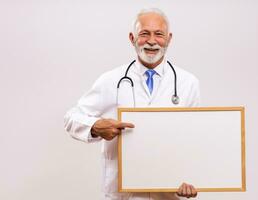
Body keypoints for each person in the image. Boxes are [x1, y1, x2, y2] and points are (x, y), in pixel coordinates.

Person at [64, 8, 201, 200]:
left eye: (159, 34)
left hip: (169, 194)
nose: (152, 41)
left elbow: (193, 141)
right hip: (123, 194)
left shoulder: (188, 83)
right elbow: (70, 118)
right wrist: (95, 126)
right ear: (132, 38)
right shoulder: (111, 80)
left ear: (169, 39)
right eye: (144, 34)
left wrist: (194, 179)